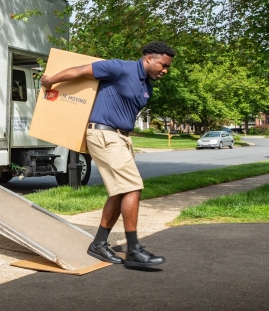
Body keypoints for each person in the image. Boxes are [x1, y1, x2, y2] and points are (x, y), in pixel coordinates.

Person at [40, 41, 175, 269]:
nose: (165, 70)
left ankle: (99, 243)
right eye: (163, 65)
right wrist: (51, 80)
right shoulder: (119, 68)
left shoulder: (147, 87)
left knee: (120, 191)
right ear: (149, 58)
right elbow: (81, 70)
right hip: (104, 134)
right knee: (133, 187)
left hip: (122, 138)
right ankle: (133, 250)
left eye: (168, 67)